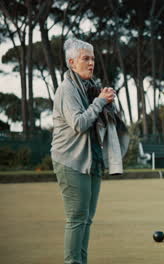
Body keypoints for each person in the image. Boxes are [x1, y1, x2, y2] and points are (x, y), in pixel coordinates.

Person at [51, 38, 129, 264]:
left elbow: (102, 119)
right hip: (71, 161)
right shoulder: (67, 90)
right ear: (72, 62)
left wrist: (107, 101)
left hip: (92, 159)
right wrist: (99, 102)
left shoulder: (88, 87)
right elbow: (79, 124)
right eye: (86, 58)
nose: (91, 62)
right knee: (76, 218)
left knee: (86, 219)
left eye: (93, 58)